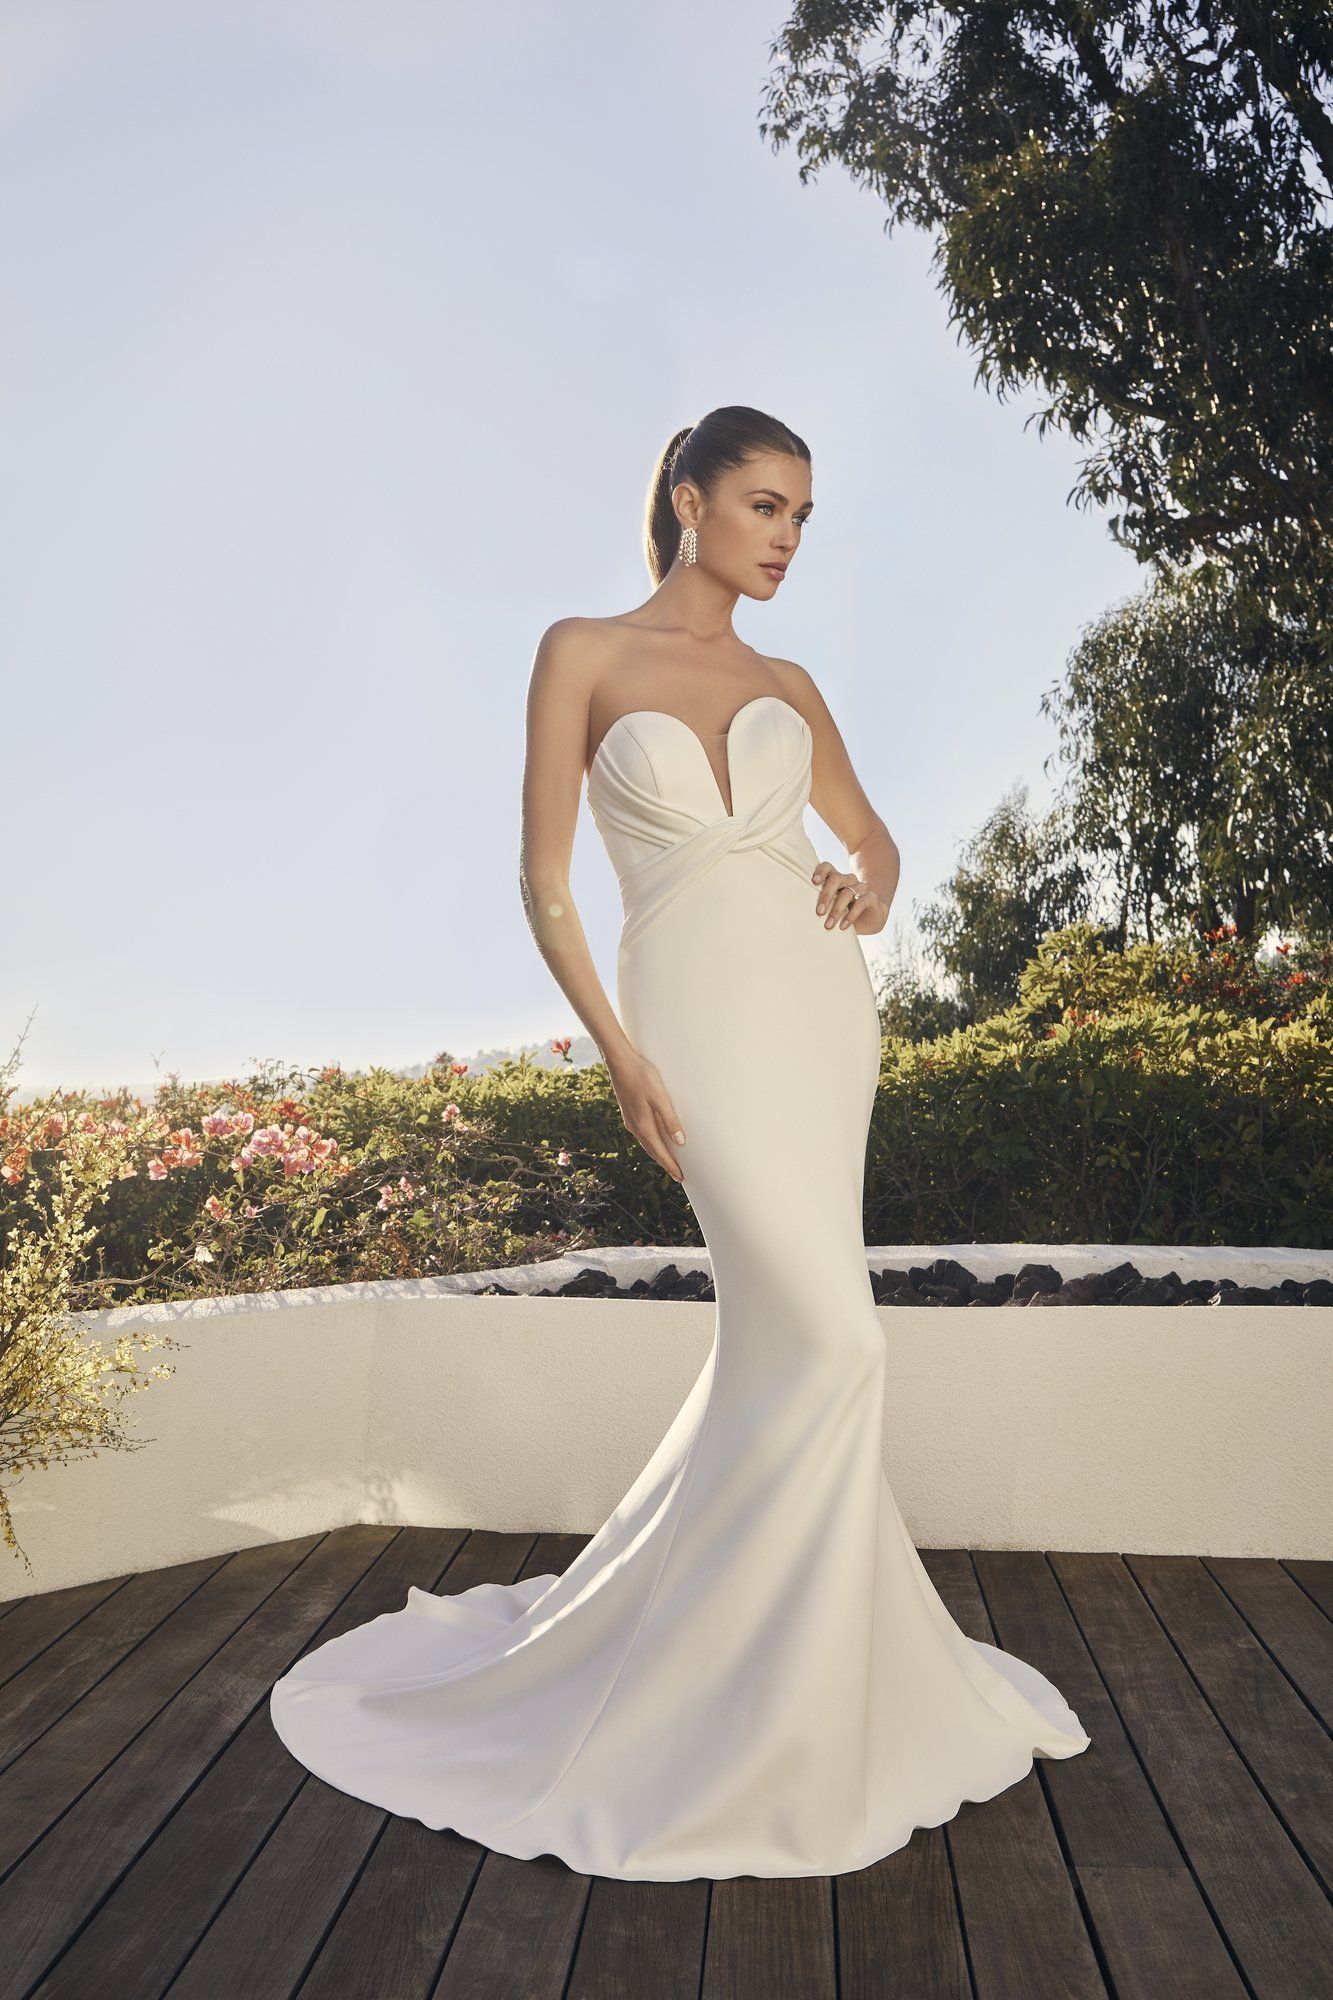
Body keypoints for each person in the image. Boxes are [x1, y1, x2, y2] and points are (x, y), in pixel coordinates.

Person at [269, 403, 1090, 1881]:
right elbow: (541, 880)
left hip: (816, 1007)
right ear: (689, 500)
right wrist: (617, 1054)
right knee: (835, 1344)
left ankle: (782, 1677)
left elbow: (877, 838)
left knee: (795, 1345)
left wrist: (871, 885)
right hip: (687, 1009)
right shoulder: (580, 652)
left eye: (801, 516)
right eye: (764, 505)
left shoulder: (788, 680)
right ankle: (730, 1685)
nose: (783, 537)